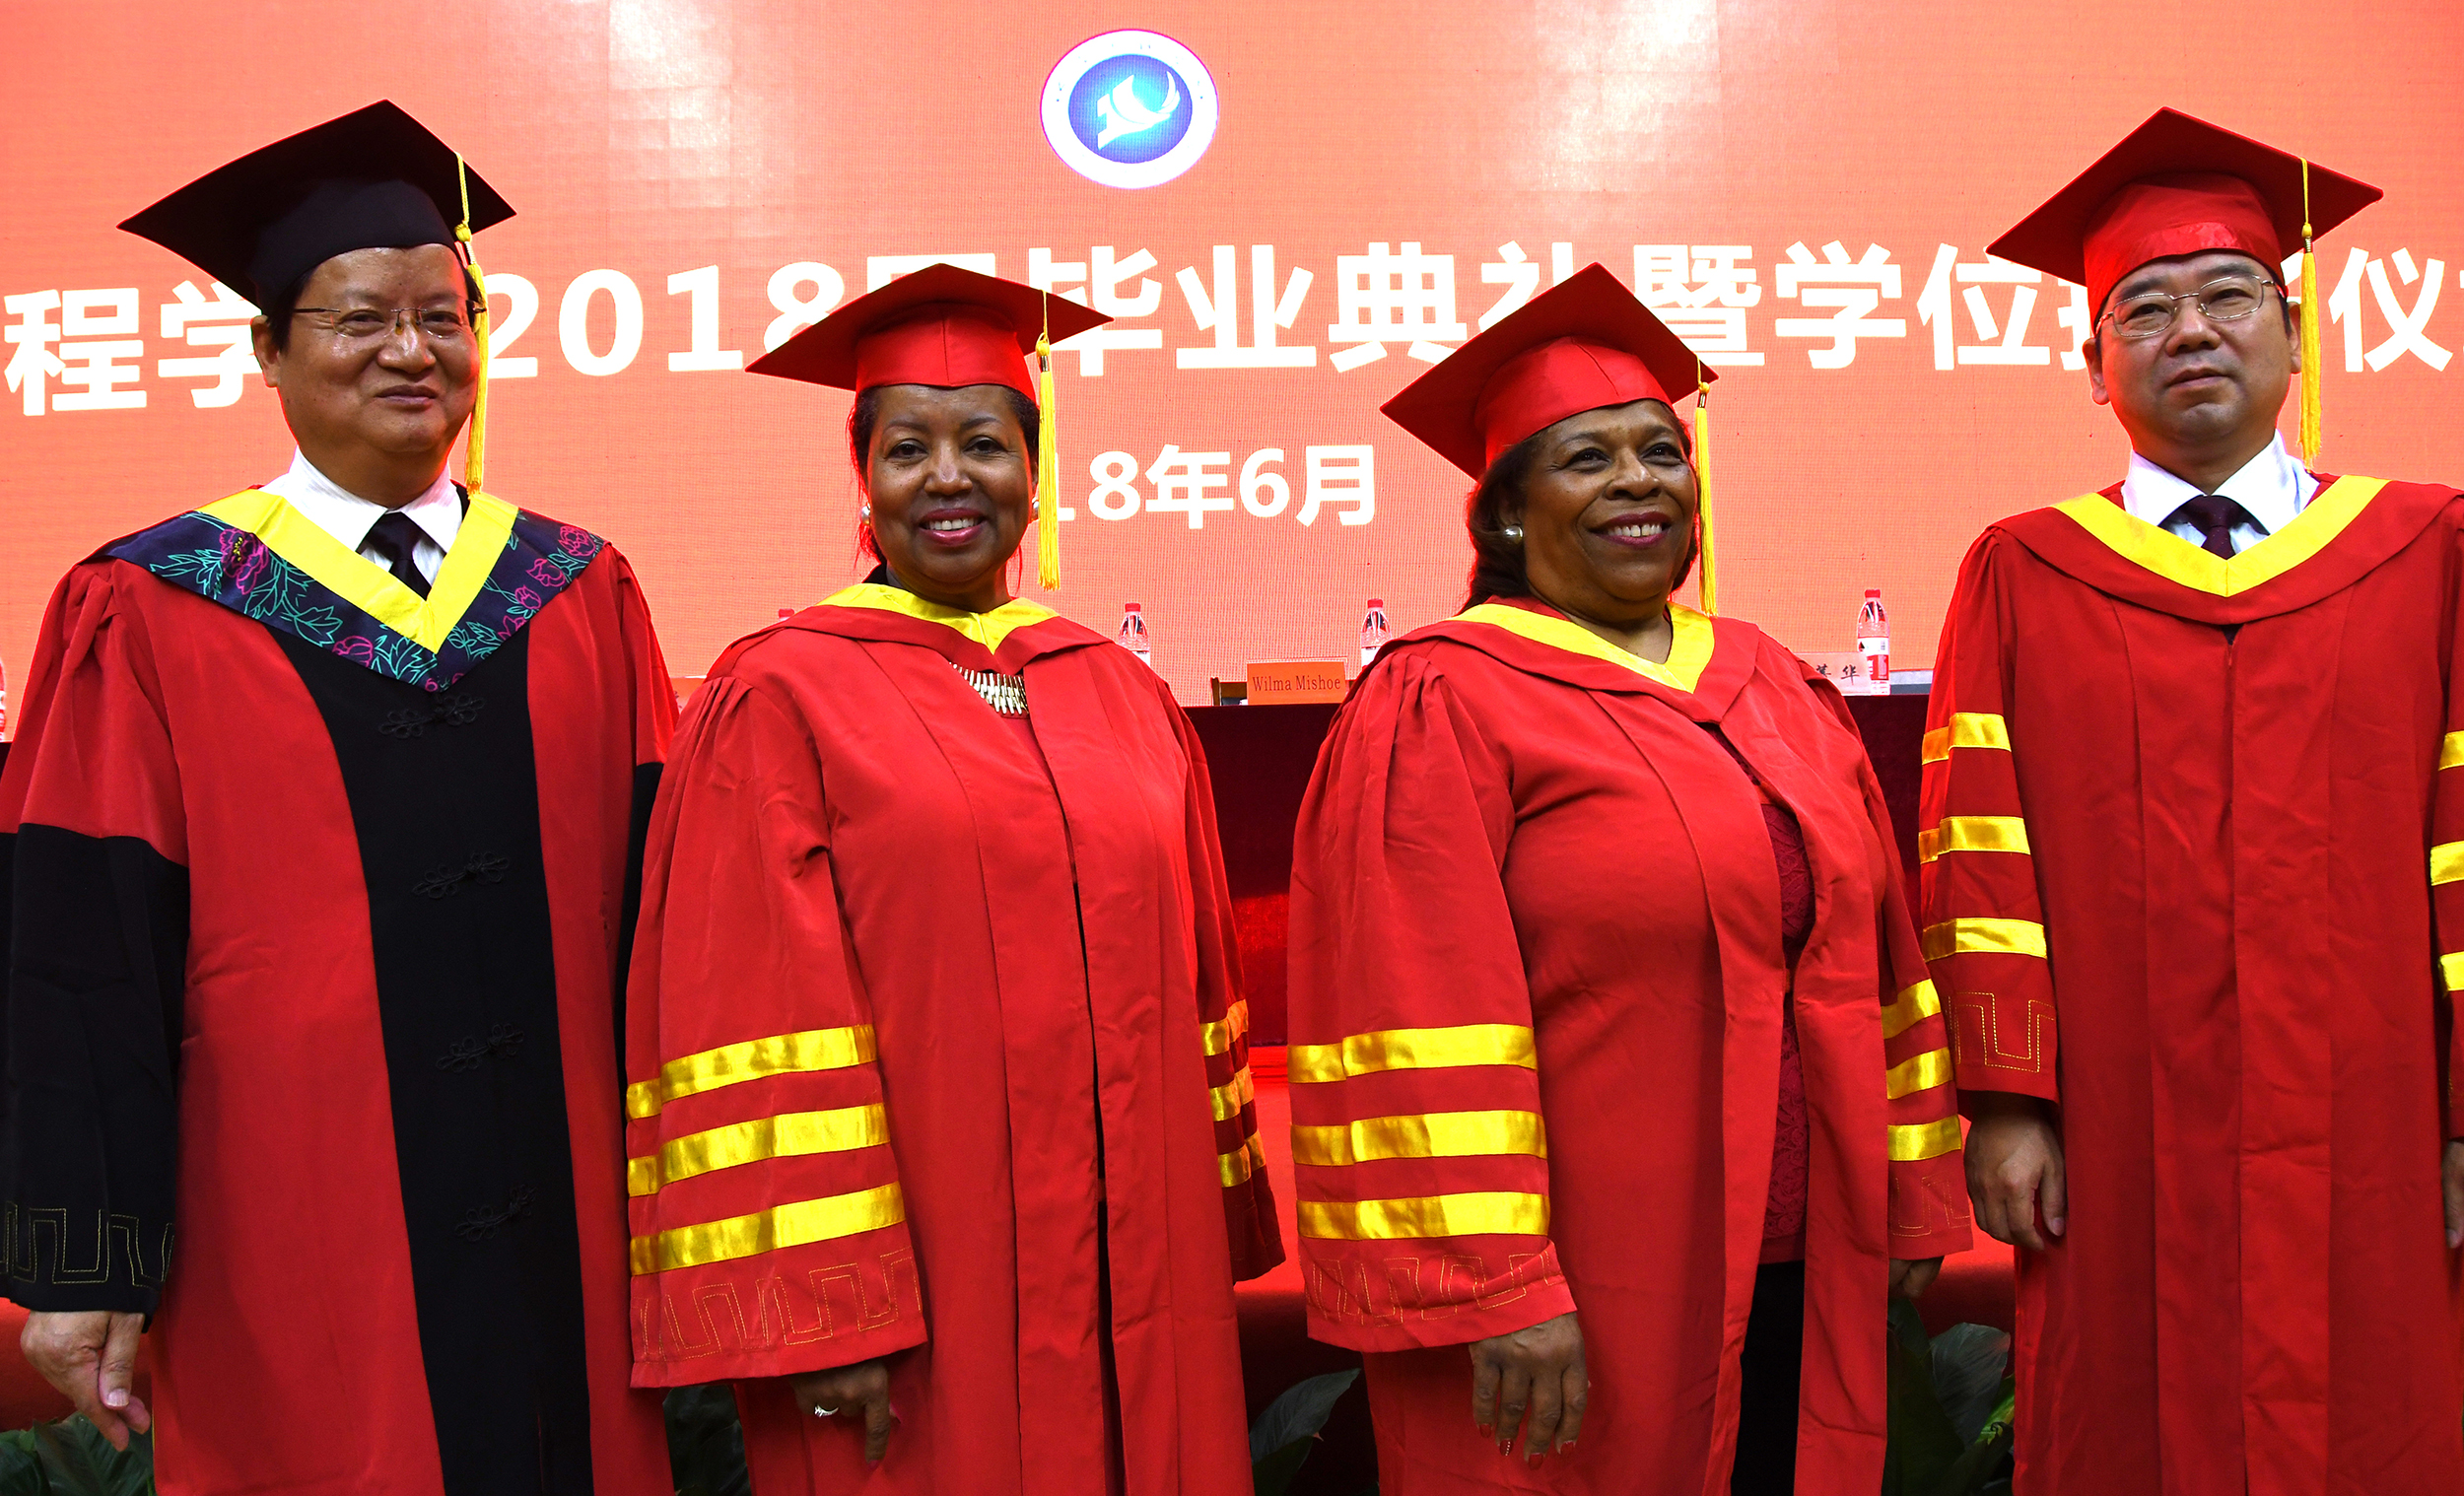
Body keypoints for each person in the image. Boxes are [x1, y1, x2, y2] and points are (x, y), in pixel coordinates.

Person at [0, 102, 676, 1492]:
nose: (412, 350)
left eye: (444, 315)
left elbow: (669, 929)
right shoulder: (152, 605)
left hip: (576, 1241)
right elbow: (79, 952)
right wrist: (81, 1259)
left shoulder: (578, 589)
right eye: (362, 318)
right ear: (268, 349)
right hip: (290, 1236)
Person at [1286, 265, 1970, 1496]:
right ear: (1503, 516)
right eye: (1586, 459)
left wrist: (1912, 1190)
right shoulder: (1442, 699)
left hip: (1807, 1258)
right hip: (1582, 1284)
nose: (1638, 481)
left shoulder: (1773, 683)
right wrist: (1491, 1280)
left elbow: (1883, 959)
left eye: (1659, 450)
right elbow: (1403, 1009)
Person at [622, 264, 1281, 1495]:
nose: (947, 477)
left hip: (1140, 1274)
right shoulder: (782, 690)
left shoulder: (1117, 690)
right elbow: (750, 1016)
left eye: (983, 443)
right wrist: (821, 1305)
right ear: (862, 477)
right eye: (906, 447)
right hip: (917, 1299)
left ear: (1034, 476)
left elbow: (1193, 973)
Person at [1925, 106, 2464, 1494]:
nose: (2191, 331)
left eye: (2229, 296)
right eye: (2143, 308)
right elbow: (1980, 859)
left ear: (2294, 335)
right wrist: (2006, 1100)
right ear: (2092, 363)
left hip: (2384, 1104)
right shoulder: (2024, 572)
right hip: (2113, 1115)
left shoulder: (2429, 550)